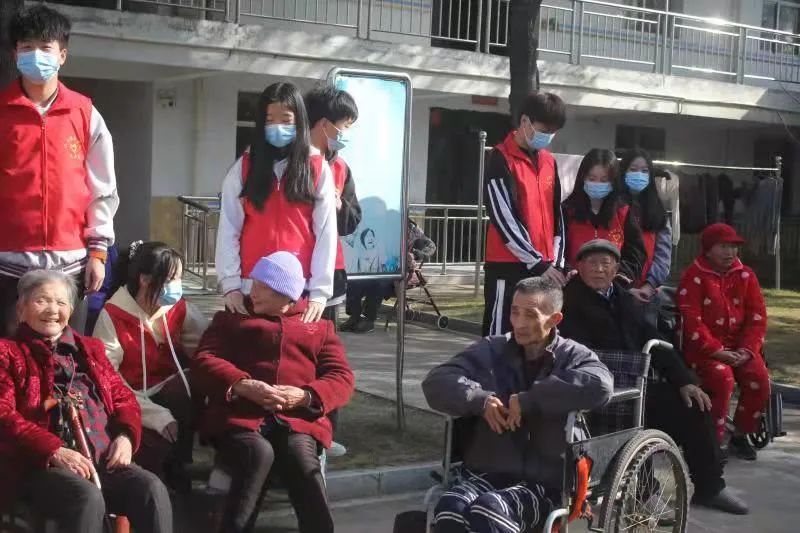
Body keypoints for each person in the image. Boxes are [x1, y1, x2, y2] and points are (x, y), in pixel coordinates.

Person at [559, 239, 749, 515]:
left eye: (606, 263)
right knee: (631, 422)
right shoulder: (569, 300)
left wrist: (683, 380)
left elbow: (652, 338)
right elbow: (574, 352)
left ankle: (710, 487)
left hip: (634, 385)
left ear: (616, 269)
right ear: (579, 267)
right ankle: (644, 493)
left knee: (694, 404)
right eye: (592, 263)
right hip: (596, 393)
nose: (599, 269)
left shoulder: (622, 297)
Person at [422, 278, 613, 532]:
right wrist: (480, 400)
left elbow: (601, 385)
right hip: (490, 470)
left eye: (530, 315)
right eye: (515, 312)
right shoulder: (492, 349)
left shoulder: (573, 355)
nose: (519, 323)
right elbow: (436, 381)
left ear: (555, 319)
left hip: (548, 481)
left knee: (490, 510)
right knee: (450, 507)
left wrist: (530, 400)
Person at [192, 252, 355, 533]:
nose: (252, 292)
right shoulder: (232, 318)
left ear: (285, 294)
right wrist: (242, 384)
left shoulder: (318, 326)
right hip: (240, 416)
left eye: (261, 287)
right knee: (258, 453)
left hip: (296, 419)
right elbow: (204, 359)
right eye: (252, 283)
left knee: (301, 460)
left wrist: (305, 396)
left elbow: (341, 377)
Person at [0, 270, 172, 532]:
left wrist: (126, 435)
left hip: (102, 458)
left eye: (61, 302)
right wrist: (53, 449)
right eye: (41, 300)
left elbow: (123, 396)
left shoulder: (90, 349)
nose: (52, 310)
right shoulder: (7, 353)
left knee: (150, 488)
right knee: (86, 497)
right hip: (39, 464)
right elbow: (4, 413)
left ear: (71, 310)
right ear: (21, 309)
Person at [0, 5, 119, 337]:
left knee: (66, 354)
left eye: (45, 47)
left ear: (62, 55)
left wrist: (98, 253)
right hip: (8, 266)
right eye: (27, 47)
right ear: (15, 54)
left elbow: (102, 188)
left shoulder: (85, 113)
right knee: (9, 357)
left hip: (71, 265)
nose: (36, 55)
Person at [215, 82, 337, 324]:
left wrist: (319, 292)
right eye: (270, 120)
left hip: (298, 291)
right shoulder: (245, 167)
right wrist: (230, 285)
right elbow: (229, 227)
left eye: (285, 119)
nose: (277, 127)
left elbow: (325, 232)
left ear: (299, 121)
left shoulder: (316, 167)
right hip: (250, 289)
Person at [92, 241, 207, 490]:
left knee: (190, 385)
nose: (177, 286)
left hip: (169, 391)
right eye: (171, 279)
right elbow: (107, 378)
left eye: (179, 278)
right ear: (144, 280)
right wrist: (156, 415)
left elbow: (205, 350)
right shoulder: (112, 316)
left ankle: (182, 467)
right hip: (132, 397)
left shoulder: (179, 309)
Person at [677, 223, 770, 460]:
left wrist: (747, 350)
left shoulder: (746, 275)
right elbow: (691, 322)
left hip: (741, 348)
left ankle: (740, 434)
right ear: (708, 250)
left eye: (733, 247)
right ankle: (713, 441)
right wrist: (717, 351)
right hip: (704, 349)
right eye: (723, 247)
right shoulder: (693, 276)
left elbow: (757, 318)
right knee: (722, 378)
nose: (730, 252)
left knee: (759, 379)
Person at [482, 92, 567, 337]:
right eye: (544, 129)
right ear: (525, 122)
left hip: (544, 266)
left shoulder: (549, 161)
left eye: (553, 131)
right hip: (508, 266)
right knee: (500, 336)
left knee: (539, 335)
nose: (547, 136)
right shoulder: (500, 158)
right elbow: (503, 216)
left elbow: (557, 214)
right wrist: (534, 260)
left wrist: (556, 261)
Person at [305, 85, 362, 324]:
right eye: (345, 126)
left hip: (330, 270)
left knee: (325, 338)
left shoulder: (341, 168)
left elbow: (353, 220)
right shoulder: (292, 164)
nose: (346, 133)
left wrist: (339, 206)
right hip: (294, 267)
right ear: (324, 124)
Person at [562, 148, 646, 286]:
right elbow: (559, 249)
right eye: (592, 179)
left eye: (604, 180)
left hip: (613, 286)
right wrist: (567, 270)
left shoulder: (624, 211)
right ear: (582, 178)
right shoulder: (567, 210)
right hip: (573, 284)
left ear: (614, 182)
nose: (597, 184)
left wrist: (623, 274)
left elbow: (635, 252)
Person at [342, 220, 435, 333]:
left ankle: (369, 319)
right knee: (356, 279)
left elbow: (431, 246)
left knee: (379, 281)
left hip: (399, 274)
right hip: (379, 268)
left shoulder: (414, 231)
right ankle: (354, 316)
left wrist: (415, 254)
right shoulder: (384, 229)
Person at [619, 149, 672, 303]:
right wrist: (622, 287)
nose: (639, 175)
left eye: (644, 171)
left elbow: (663, 255)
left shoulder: (658, 211)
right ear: (623, 172)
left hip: (646, 292)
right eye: (633, 169)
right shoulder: (613, 206)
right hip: (616, 287)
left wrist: (649, 286)